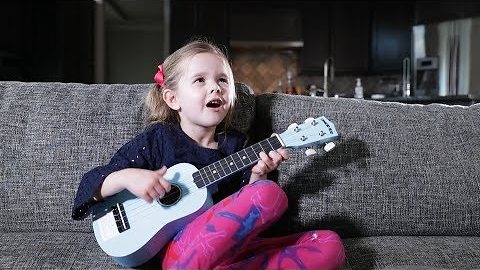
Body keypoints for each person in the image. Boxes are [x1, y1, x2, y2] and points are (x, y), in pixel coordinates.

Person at [72, 39, 345, 269]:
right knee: (269, 194)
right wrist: (129, 178)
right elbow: (90, 185)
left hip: (227, 252)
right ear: (172, 99)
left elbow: (250, 222)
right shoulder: (157, 140)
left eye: (223, 80)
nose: (215, 87)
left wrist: (258, 176)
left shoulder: (238, 147)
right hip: (174, 252)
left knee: (329, 244)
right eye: (200, 80)